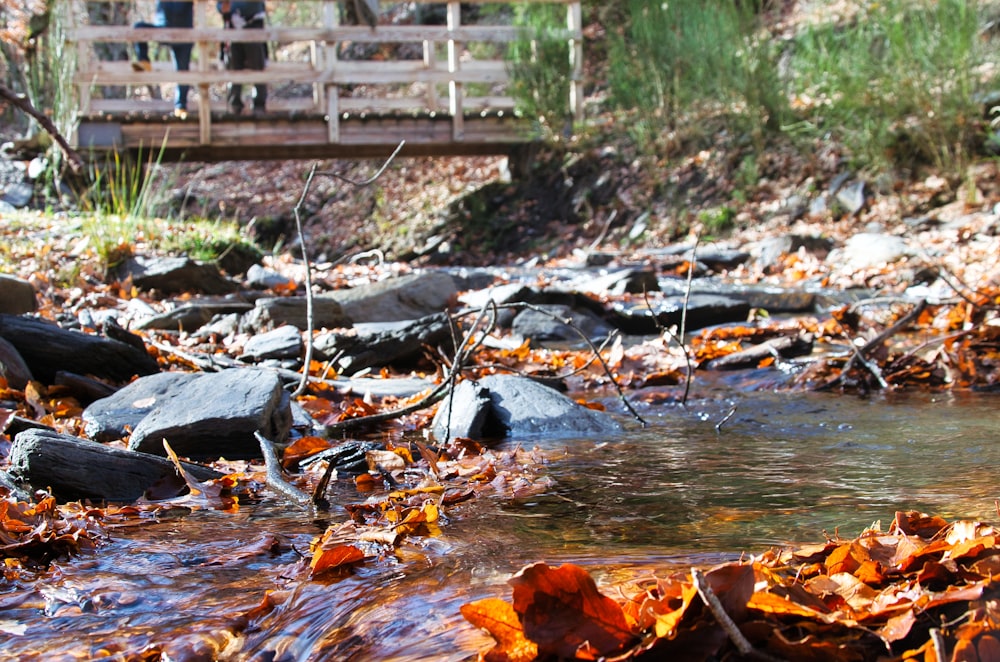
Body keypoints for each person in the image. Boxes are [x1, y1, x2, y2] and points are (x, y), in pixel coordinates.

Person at [132, 1, 194, 119]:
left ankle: (181, 107)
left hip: (184, 34)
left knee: (183, 71)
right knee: (138, 28)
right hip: (162, 29)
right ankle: (144, 63)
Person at [218, 1, 268, 115]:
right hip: (232, 28)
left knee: (257, 66)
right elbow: (220, 5)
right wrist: (224, 9)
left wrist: (234, 8)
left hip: (253, 26)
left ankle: (259, 104)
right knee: (234, 67)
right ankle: (234, 105)